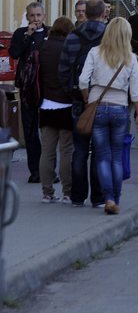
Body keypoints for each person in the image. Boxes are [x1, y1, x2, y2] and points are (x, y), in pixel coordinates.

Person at [77, 18, 138, 215]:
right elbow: (136, 91)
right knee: (116, 157)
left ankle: (107, 198)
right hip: (120, 108)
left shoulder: (95, 52)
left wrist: (88, 98)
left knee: (102, 157)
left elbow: (82, 80)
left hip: (98, 106)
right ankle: (116, 197)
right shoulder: (131, 58)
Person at [58, 0, 107, 208]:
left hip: (79, 100)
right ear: (103, 12)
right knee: (98, 150)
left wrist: (72, 92)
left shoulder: (72, 36)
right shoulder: (108, 36)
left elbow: (63, 70)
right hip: (103, 99)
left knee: (79, 150)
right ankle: (98, 197)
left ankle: (77, 196)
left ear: (85, 13)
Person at [37, 16, 75, 202]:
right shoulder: (68, 47)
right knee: (66, 150)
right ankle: (67, 192)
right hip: (66, 104)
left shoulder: (43, 47)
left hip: (46, 104)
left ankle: (47, 192)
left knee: (47, 151)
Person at [10, 1, 48, 183]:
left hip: (48, 90)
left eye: (38, 15)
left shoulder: (51, 34)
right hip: (27, 90)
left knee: (48, 133)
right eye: (32, 16)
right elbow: (14, 53)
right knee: (31, 132)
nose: (36, 19)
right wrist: (27, 36)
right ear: (27, 17)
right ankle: (35, 171)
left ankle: (49, 171)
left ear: (44, 16)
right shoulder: (20, 34)